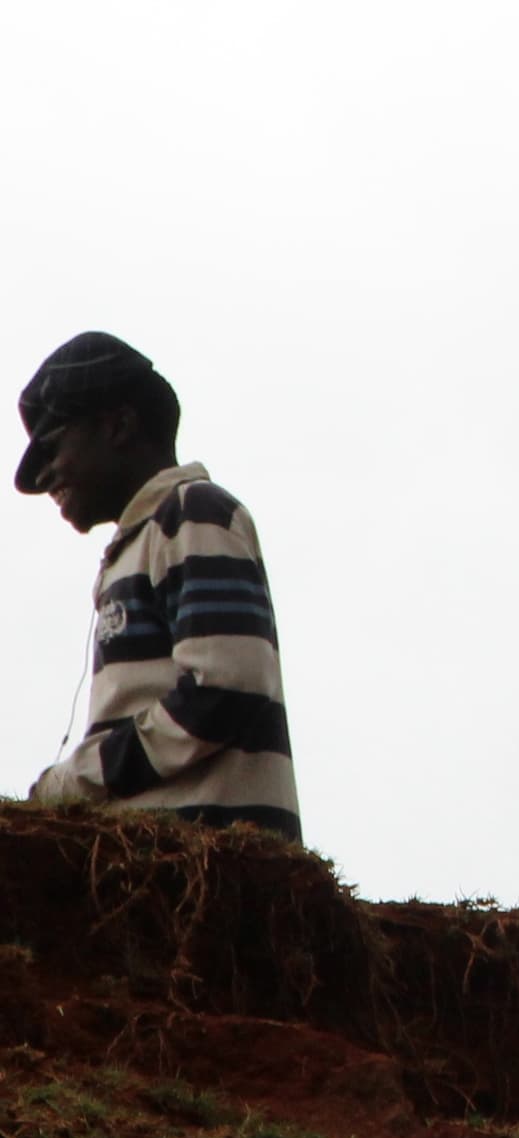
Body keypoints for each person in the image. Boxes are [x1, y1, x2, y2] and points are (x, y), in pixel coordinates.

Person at [16, 333, 300, 841]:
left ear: (119, 426)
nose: (43, 477)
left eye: (52, 446)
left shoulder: (191, 513)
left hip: (215, 862)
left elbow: (224, 688)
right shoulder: (143, 542)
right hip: (165, 864)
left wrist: (76, 781)